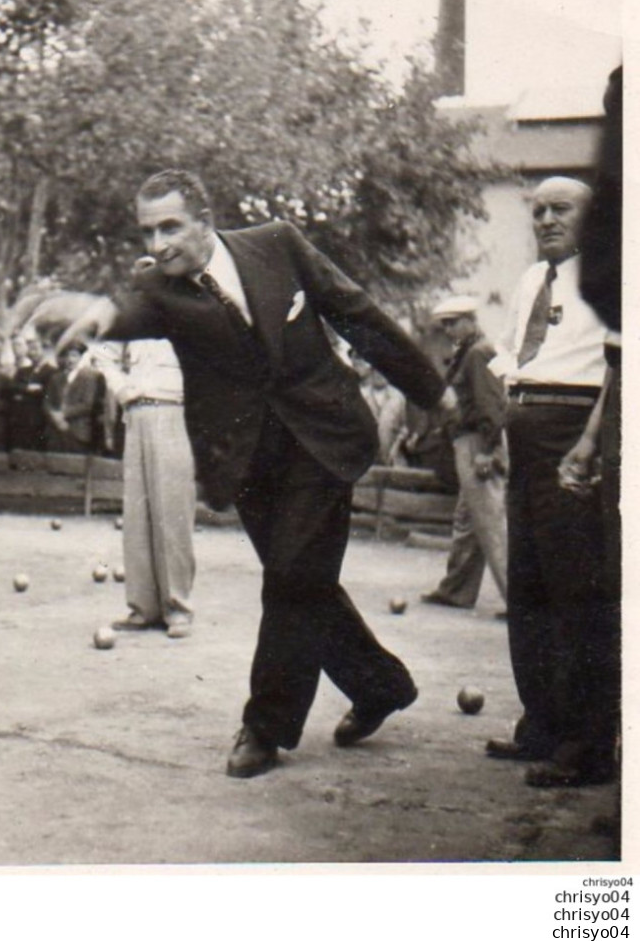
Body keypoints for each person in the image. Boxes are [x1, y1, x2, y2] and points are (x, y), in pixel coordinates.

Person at [59, 169, 451, 777]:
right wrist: (96, 317)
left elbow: (358, 314)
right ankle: (381, 685)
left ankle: (266, 727)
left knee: (294, 576)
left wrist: (433, 391)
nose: (159, 243)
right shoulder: (160, 287)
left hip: (322, 439)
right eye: (147, 231)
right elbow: (131, 312)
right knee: (304, 580)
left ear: (204, 217)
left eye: (170, 227)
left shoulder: (278, 245)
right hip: (245, 460)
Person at [484, 176, 615, 788]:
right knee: (529, 586)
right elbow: (516, 360)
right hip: (526, 435)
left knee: (577, 591)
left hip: (573, 436)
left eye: (559, 209)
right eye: (536, 211)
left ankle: (587, 746)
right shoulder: (532, 280)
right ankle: (541, 723)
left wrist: (590, 443)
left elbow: (620, 372)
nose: (545, 220)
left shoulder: (612, 278)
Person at [91, 329, 197, 639]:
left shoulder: (196, 301)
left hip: (175, 410)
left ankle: (178, 607)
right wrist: (123, 388)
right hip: (135, 412)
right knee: (137, 514)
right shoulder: (135, 311)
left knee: (172, 512)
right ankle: (143, 608)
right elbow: (103, 354)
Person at [420, 295, 508, 614]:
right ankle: (457, 589)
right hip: (467, 441)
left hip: (477, 442)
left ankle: (520, 600)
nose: (448, 329)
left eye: (454, 322)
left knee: (492, 522)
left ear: (471, 319)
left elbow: (492, 405)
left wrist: (487, 450)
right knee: (468, 520)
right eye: (445, 324)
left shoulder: (478, 353)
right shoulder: (469, 352)